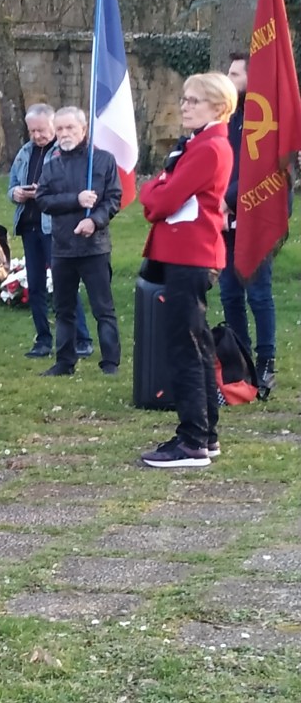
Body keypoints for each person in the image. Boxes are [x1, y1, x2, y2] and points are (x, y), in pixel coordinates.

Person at [138, 73, 238, 469]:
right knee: (195, 345)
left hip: (191, 255)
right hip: (187, 253)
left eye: (194, 100)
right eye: (184, 99)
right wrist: (157, 191)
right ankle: (203, 434)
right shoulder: (198, 144)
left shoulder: (209, 147)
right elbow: (159, 195)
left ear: (218, 106)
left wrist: (155, 190)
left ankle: (193, 439)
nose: (184, 106)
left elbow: (161, 199)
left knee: (186, 347)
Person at [34, 106, 123, 376]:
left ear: (84, 130)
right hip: (62, 247)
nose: (64, 134)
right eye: (59, 129)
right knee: (64, 308)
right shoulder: (51, 166)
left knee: (103, 308)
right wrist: (76, 200)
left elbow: (113, 199)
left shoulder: (104, 161)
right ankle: (65, 361)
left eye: (70, 128)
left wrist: (94, 220)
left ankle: (110, 362)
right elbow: (42, 199)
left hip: (94, 247)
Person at [7, 104, 93, 359]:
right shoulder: (24, 152)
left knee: (64, 284)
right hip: (29, 225)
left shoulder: (62, 153)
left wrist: (42, 191)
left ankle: (82, 338)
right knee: (35, 286)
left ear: (53, 126)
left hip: (52, 227)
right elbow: (10, 186)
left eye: (42, 130)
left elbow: (70, 189)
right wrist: (17, 193)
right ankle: (43, 339)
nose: (37, 136)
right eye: (32, 131)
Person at [218, 52, 279, 400]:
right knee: (229, 292)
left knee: (258, 293)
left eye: (234, 73)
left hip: (255, 217)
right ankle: (239, 361)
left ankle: (266, 360)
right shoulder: (227, 119)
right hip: (224, 219)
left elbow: (264, 168)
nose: (228, 78)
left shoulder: (265, 119)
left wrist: (231, 198)